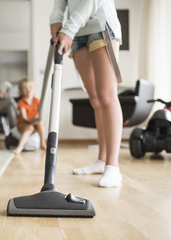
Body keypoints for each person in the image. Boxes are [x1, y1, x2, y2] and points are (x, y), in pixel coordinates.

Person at [50, 0, 123, 187]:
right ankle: (101, 160)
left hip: (101, 25)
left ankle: (113, 167)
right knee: (95, 100)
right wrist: (55, 20)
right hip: (78, 31)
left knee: (106, 96)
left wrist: (69, 28)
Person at [13, 78, 46, 155]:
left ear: (34, 88)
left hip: (34, 122)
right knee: (29, 128)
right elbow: (24, 118)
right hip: (24, 123)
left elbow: (39, 115)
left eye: (30, 87)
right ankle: (19, 147)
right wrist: (30, 122)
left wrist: (36, 121)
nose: (28, 89)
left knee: (40, 123)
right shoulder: (21, 102)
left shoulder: (37, 101)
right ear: (21, 91)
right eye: (25, 88)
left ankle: (43, 143)